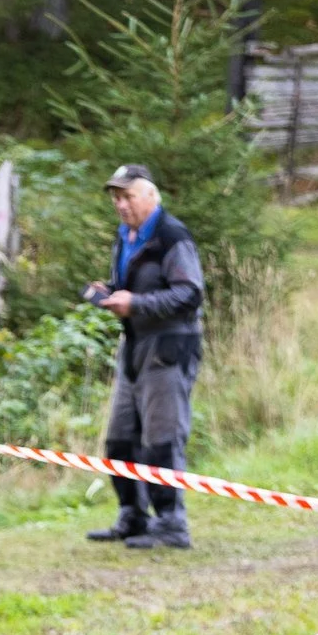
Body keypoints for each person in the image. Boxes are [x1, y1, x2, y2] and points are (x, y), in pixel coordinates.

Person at [84, 164, 205, 551]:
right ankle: (132, 517)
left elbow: (189, 294)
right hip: (134, 345)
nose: (121, 205)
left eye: (128, 196)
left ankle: (171, 524)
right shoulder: (126, 236)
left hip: (170, 348)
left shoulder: (171, 237)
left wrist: (136, 303)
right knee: (120, 438)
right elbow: (132, 288)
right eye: (116, 198)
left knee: (161, 440)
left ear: (150, 196)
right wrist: (111, 291)